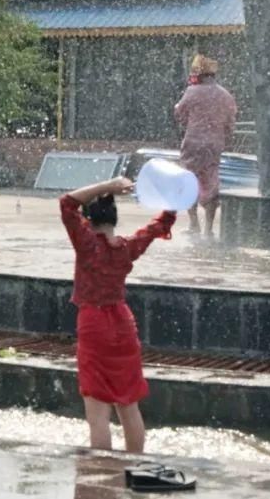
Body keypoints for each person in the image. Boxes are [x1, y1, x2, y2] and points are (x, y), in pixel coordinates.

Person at [60, 177, 176, 453]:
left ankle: (102, 479)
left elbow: (67, 203)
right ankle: (135, 465)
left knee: (98, 414)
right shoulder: (127, 247)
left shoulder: (87, 244)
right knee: (129, 405)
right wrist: (173, 199)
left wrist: (107, 186)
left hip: (93, 323)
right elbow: (160, 225)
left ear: (88, 220)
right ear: (114, 218)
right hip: (123, 324)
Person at [174, 55, 237, 240]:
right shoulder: (225, 95)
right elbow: (230, 125)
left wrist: (178, 108)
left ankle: (194, 224)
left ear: (198, 75)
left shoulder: (192, 92)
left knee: (189, 181)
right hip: (214, 145)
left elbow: (179, 113)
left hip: (193, 143)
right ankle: (209, 229)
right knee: (211, 183)